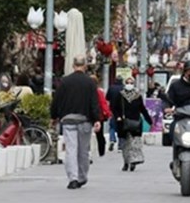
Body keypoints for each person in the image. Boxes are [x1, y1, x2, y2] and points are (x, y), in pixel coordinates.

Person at [50, 57, 102, 190]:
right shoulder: (90, 83)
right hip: (84, 120)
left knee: (70, 150)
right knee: (83, 150)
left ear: (73, 66)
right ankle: (82, 177)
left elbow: (56, 100)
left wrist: (53, 116)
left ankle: (72, 178)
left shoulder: (65, 81)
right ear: (84, 66)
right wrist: (97, 119)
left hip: (68, 120)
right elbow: (94, 102)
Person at [111, 81, 152, 171]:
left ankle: (134, 160)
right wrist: (117, 116)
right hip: (124, 123)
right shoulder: (120, 96)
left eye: (131, 83)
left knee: (135, 143)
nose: (129, 84)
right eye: (128, 82)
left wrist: (149, 120)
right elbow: (114, 107)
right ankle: (126, 162)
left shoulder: (137, 96)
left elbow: (142, 109)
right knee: (125, 144)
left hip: (134, 123)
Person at [94, 82, 113, 157]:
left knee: (98, 134)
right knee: (99, 134)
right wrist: (108, 113)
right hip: (99, 115)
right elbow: (103, 103)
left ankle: (101, 149)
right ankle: (101, 150)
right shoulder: (99, 92)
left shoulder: (86, 91)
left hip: (92, 116)